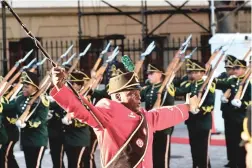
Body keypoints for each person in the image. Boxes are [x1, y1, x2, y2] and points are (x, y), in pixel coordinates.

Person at [50, 66, 198, 168]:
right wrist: (60, 87)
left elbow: (164, 114)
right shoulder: (107, 112)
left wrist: (187, 106)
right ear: (118, 96)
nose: (138, 96)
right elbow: (81, 109)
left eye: (138, 92)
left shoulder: (145, 117)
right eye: (132, 93)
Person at [2, 71, 49, 168]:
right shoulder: (21, 98)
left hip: (38, 140)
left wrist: (26, 124)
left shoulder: (41, 100)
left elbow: (40, 120)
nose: (23, 89)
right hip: (26, 140)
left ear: (35, 87)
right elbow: (10, 107)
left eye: (26, 87)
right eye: (23, 86)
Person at [175, 59, 215, 168]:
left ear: (203, 73)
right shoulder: (190, 85)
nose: (193, 74)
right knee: (194, 147)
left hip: (203, 122)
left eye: (196, 72)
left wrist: (201, 110)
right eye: (192, 72)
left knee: (203, 149)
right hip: (192, 121)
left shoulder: (208, 85)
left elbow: (211, 105)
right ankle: (196, 165)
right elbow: (178, 91)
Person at [216, 58, 251, 168]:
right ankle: (235, 162)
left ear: (245, 69)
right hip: (231, 117)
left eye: (237, 68)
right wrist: (209, 77)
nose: (235, 70)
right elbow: (219, 83)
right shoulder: (233, 81)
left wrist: (242, 104)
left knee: (242, 144)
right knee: (233, 142)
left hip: (242, 118)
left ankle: (244, 164)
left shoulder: (248, 83)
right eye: (234, 68)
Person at [140, 64, 175, 168]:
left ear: (160, 74)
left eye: (151, 74)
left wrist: (164, 90)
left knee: (162, 158)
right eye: (148, 74)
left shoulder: (167, 88)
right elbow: (138, 98)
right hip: (151, 127)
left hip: (163, 127)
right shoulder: (148, 89)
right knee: (152, 156)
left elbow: (169, 105)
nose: (148, 76)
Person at [216, 55, 236, 167]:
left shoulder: (238, 78)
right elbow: (216, 83)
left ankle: (239, 160)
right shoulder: (224, 76)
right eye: (227, 69)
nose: (228, 71)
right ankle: (231, 160)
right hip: (227, 111)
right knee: (229, 137)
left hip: (237, 111)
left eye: (230, 69)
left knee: (238, 136)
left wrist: (227, 80)